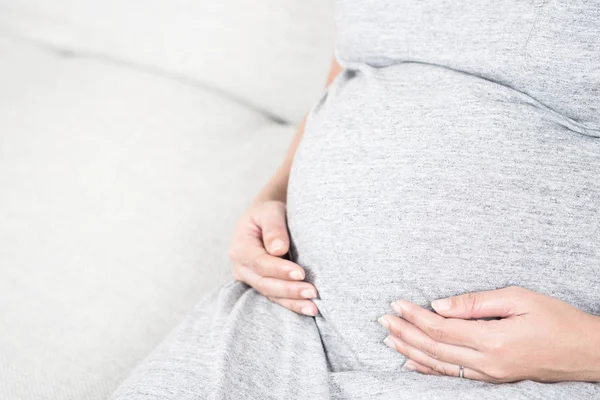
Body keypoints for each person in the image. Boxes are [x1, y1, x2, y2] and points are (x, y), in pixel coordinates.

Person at [112, 1, 600, 398]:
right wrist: (275, 194)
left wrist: (586, 350)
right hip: (285, 322)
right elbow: (356, 61)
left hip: (526, 372)